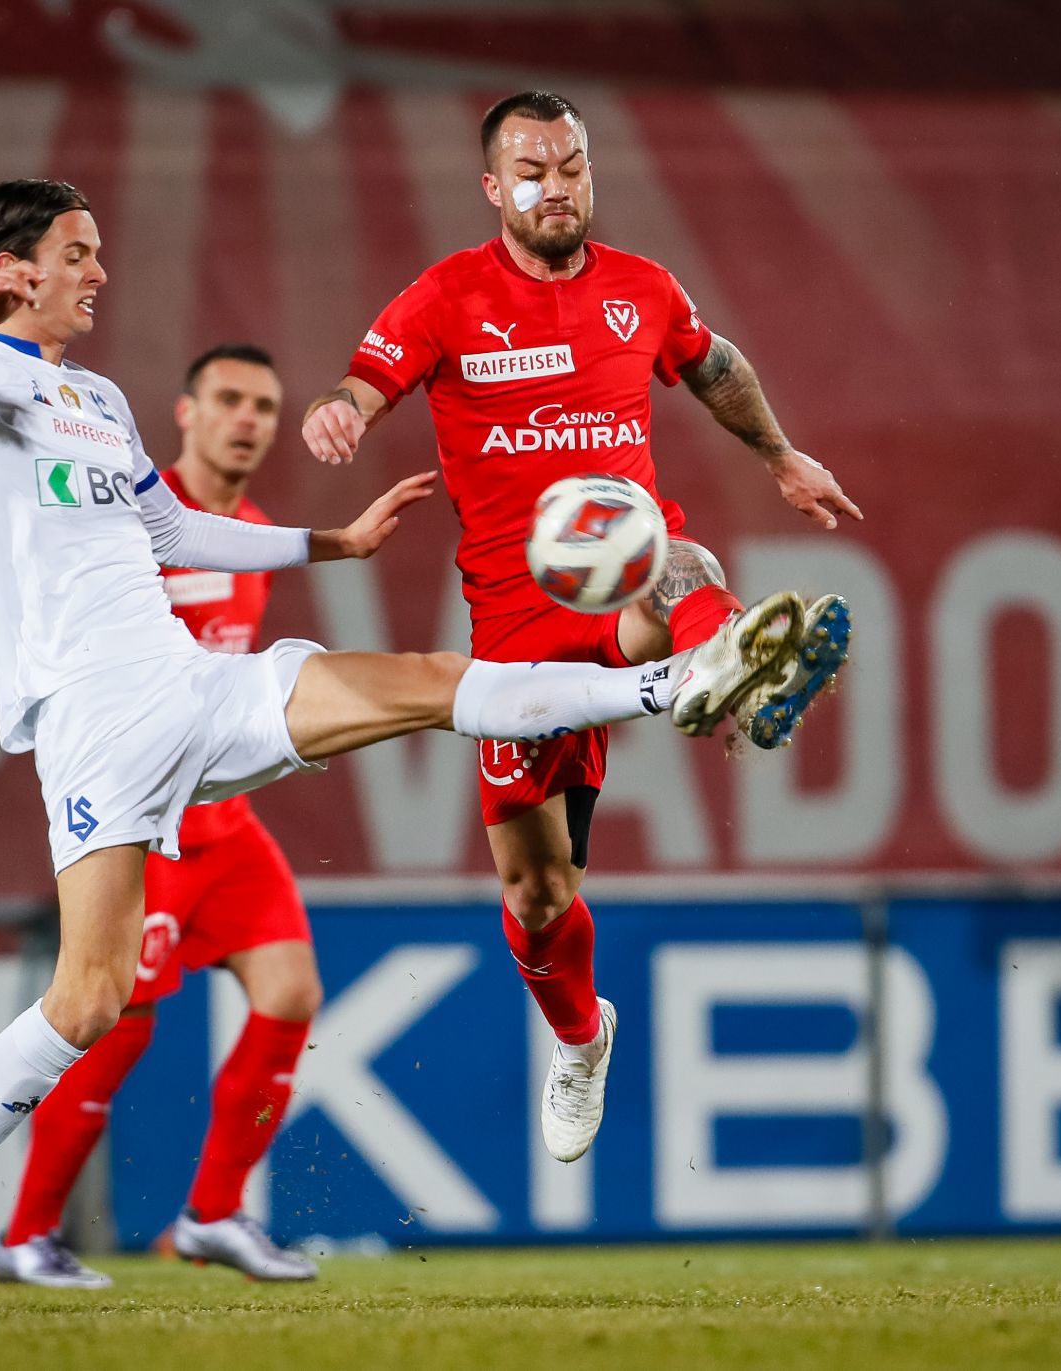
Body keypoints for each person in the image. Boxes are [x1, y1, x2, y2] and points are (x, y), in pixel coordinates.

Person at [0, 178, 808, 1318]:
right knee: (89, 998)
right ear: (18, 267)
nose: (100, 273)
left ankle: (673, 682)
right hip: (89, 718)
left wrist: (328, 545)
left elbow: (168, 528)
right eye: (79, 252)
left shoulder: (94, 394)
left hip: (189, 685)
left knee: (431, 685)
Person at [300, 90, 860, 1168]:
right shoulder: (450, 295)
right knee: (539, 891)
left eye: (571, 165)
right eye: (532, 170)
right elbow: (371, 377)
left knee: (678, 563)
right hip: (514, 637)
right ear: (493, 188)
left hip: (619, 581)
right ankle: (580, 1035)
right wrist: (344, 409)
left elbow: (713, 365)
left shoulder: (642, 290)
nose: (555, 186)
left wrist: (781, 455)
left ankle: (734, 659)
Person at [0, 343, 321, 1288]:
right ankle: (25, 1236)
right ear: (183, 413)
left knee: (291, 992)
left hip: (229, 826)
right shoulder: (128, 517)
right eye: (227, 398)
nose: (247, 418)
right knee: (113, 1025)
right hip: (151, 823)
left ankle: (215, 1215)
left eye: (263, 402)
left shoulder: (251, 528)